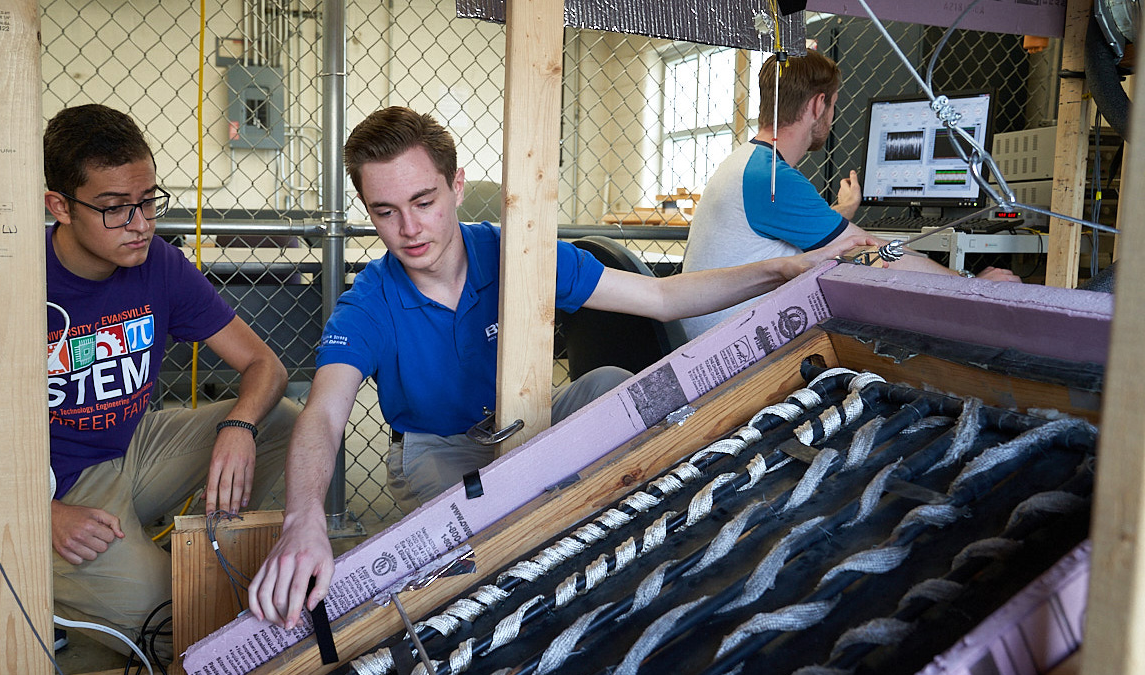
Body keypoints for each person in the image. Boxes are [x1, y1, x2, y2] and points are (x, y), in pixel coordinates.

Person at [247, 105, 878, 630]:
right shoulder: (370, 301)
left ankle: (674, 554)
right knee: (474, 547)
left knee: (611, 385)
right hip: (438, 450)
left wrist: (781, 269)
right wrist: (303, 516)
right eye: (385, 212)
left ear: (457, 186)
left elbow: (660, 297)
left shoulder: (516, 252)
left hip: (529, 421)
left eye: (424, 200)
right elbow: (325, 413)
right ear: (367, 208)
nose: (410, 228)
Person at [44, 104, 300, 659]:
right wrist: (42, 515)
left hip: (133, 444)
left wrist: (238, 424)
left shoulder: (157, 262)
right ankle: (68, 587)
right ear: (60, 206)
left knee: (282, 420)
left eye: (147, 202)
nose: (140, 224)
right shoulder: (19, 278)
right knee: (180, 619)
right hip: (55, 483)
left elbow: (267, 367)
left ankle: (212, 546)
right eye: (114, 209)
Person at [680, 50, 1021, 339]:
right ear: (818, 105)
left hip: (712, 333)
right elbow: (874, 254)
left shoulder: (748, 163)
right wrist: (971, 284)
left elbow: (784, 239)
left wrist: (842, 211)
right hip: (731, 346)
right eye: (833, 106)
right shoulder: (772, 179)